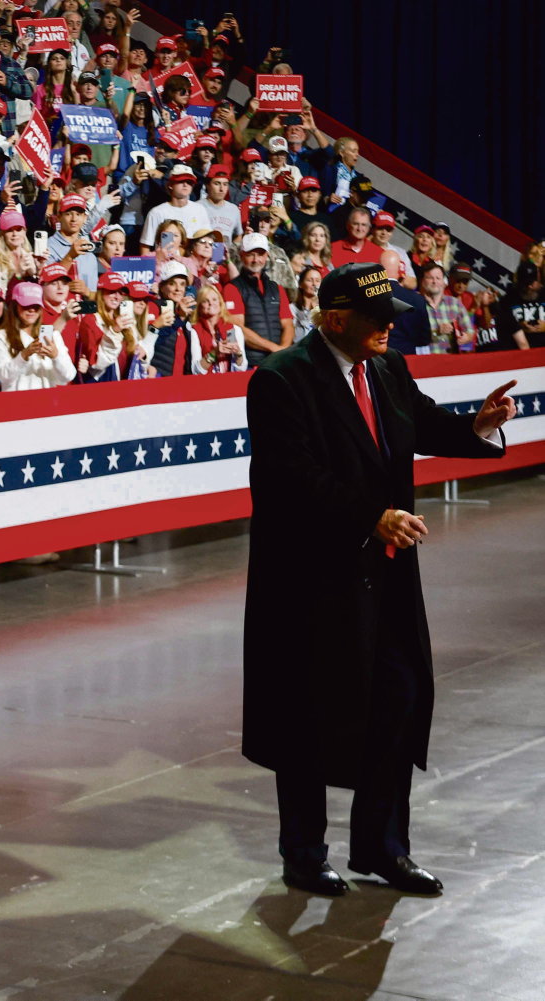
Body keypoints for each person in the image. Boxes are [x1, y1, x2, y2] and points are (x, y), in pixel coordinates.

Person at [243, 261, 517, 898]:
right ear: (335, 318)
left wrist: (478, 425)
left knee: (399, 701)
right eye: (377, 320)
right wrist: (373, 517)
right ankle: (304, 854)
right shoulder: (282, 380)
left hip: (387, 575)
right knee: (308, 716)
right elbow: (292, 479)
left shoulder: (387, 367)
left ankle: (383, 848)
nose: (390, 328)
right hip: (312, 582)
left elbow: (418, 424)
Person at [0, 279, 75, 392]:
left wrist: (56, 356)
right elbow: (3, 376)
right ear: (15, 306)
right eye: (26, 305)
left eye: (36, 306)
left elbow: (68, 376)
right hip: (17, 404)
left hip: (48, 403)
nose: (31, 310)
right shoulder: (2, 336)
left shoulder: (52, 334)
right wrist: (24, 355)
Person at [223, 234, 294, 366]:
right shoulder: (232, 288)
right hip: (252, 363)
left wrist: (282, 350)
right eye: (251, 254)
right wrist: (274, 348)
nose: (256, 259)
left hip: (280, 362)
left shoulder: (277, 288)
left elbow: (288, 324)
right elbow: (238, 329)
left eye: (260, 254)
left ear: (266, 256)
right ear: (241, 255)